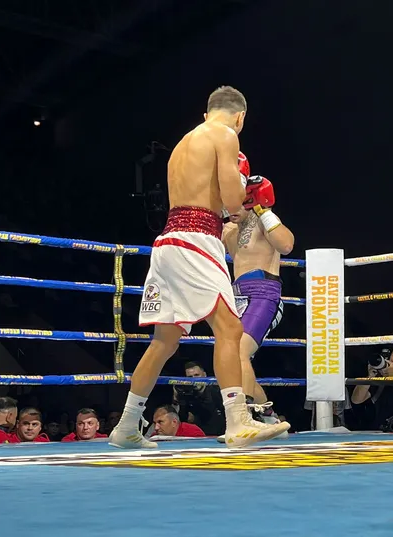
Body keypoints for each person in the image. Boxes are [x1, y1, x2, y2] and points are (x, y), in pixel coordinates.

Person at [110, 86, 289, 450]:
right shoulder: (224, 135)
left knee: (165, 341)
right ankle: (238, 421)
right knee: (230, 328)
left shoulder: (183, 144)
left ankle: (126, 426)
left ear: (207, 113)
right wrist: (242, 194)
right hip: (197, 239)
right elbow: (232, 202)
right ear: (240, 117)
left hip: (168, 241)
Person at [222, 186, 294, 421]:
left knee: (238, 352)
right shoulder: (227, 229)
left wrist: (264, 210)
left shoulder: (263, 219)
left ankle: (242, 418)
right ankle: (270, 418)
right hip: (236, 297)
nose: (232, 208)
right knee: (234, 360)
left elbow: (287, 245)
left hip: (264, 293)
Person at [173, 361, 225, 435]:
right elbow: (183, 419)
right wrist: (177, 399)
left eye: (197, 375)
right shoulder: (186, 394)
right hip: (197, 435)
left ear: (204, 375)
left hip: (218, 434)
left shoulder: (216, 391)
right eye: (190, 377)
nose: (194, 380)